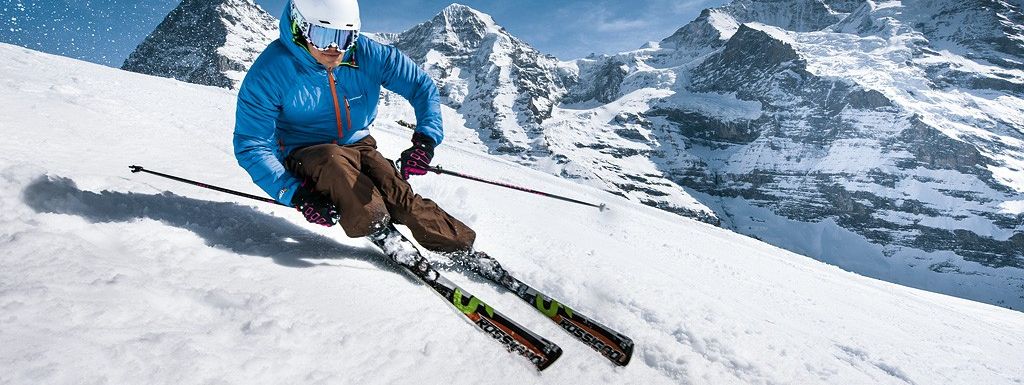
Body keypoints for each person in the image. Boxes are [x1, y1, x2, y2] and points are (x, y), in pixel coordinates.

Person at [233, 0, 482, 258]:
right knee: (358, 196)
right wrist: (297, 195)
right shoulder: (272, 71)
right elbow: (251, 144)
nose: (334, 48)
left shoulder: (366, 54)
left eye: (344, 37)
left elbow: (421, 86)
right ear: (299, 28)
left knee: (402, 200)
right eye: (323, 35)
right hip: (306, 152)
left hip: (360, 144)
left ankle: (464, 248)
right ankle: (375, 225)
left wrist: (425, 141)